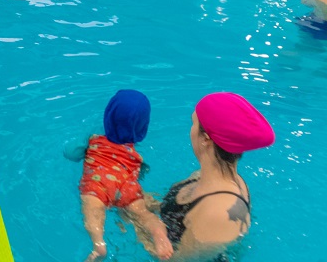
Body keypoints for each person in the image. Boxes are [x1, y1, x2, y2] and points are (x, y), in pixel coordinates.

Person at [144, 92, 275, 261]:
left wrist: (144, 223)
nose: (190, 130)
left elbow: (176, 260)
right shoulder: (204, 176)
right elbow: (172, 212)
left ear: (206, 139)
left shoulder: (219, 213)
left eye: (193, 123)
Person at [77, 90, 172, 262]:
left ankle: (98, 244)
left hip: (98, 184)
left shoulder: (93, 140)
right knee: (144, 214)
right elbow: (142, 172)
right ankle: (159, 235)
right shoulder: (137, 156)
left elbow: (71, 152)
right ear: (143, 129)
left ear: (107, 117)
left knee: (93, 210)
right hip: (126, 187)